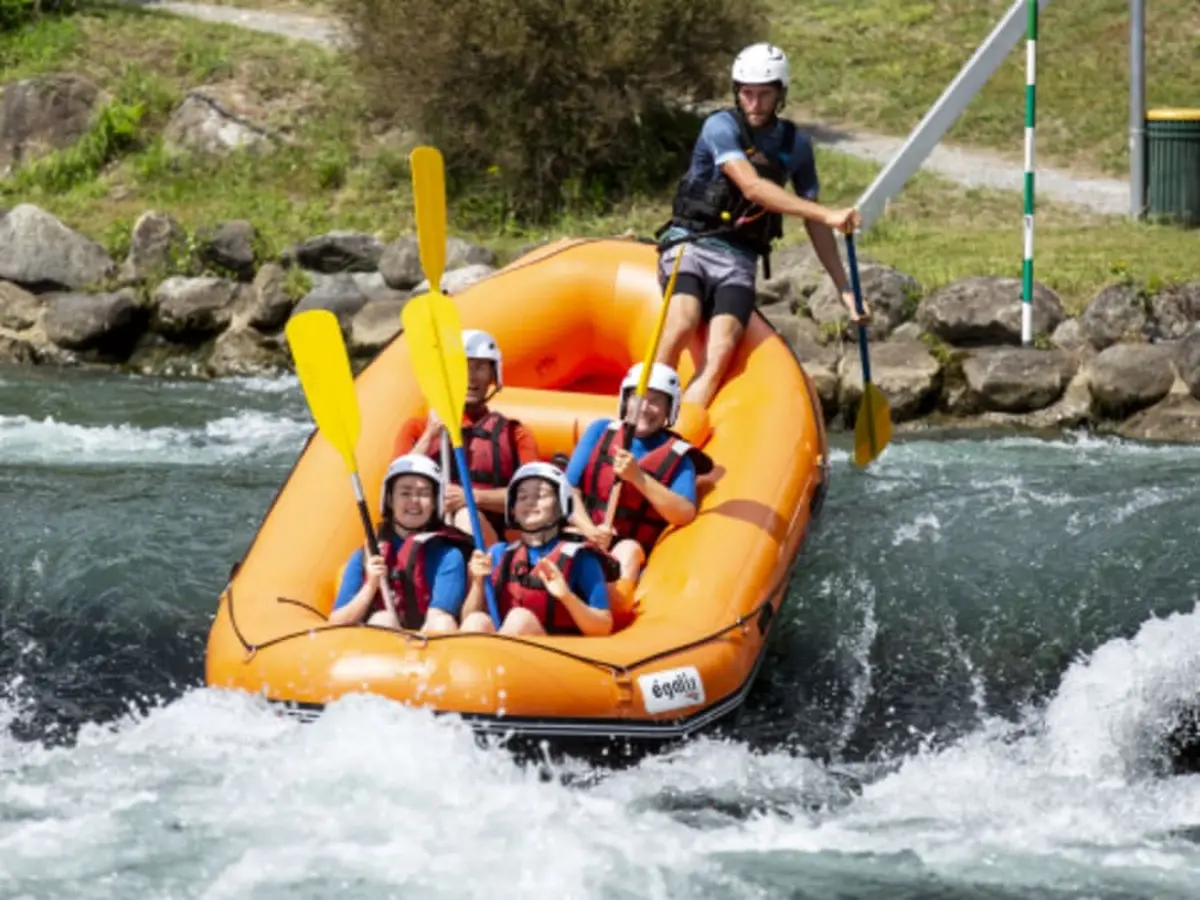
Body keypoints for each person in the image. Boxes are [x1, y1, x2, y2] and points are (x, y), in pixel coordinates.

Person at [653, 42, 873, 409]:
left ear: (780, 94)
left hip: (740, 259)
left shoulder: (796, 145)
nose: (754, 103)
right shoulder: (720, 126)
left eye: (764, 95)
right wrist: (828, 214)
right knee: (683, 322)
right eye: (747, 93)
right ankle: (641, 417)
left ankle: (682, 436)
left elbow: (814, 221)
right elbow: (752, 187)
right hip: (690, 244)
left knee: (722, 348)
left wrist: (846, 290)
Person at [393, 329, 540, 545]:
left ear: (493, 374)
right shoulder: (417, 428)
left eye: (480, 367)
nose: (471, 377)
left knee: (464, 515)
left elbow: (535, 497)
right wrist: (430, 435)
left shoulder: (515, 434)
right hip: (422, 535)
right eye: (462, 367)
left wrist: (471, 498)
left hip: (488, 540)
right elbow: (394, 486)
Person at [564, 362, 703, 585]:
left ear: (670, 408)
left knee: (628, 550)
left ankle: (617, 598)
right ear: (626, 400)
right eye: (638, 397)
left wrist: (637, 477)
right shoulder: (600, 430)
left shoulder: (680, 456)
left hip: (632, 551)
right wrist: (590, 530)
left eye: (656, 401)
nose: (645, 407)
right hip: (585, 532)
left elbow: (684, 512)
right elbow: (568, 488)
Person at [460, 462, 615, 637]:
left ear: (560, 505)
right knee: (476, 621)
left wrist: (567, 597)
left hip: (556, 656)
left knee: (520, 619)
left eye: (540, 495)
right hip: (504, 653)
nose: (530, 503)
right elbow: (466, 617)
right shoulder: (498, 554)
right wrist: (478, 583)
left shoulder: (581, 557)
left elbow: (604, 626)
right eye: (522, 497)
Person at [329, 454, 472, 633]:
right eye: (405, 493)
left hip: (429, 650)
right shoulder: (365, 556)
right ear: (389, 499)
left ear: (435, 503)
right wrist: (370, 586)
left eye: (424, 494)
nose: (414, 501)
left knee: (443, 623)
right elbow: (335, 623)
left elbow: (438, 620)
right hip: (382, 651)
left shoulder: (448, 556)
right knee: (382, 619)